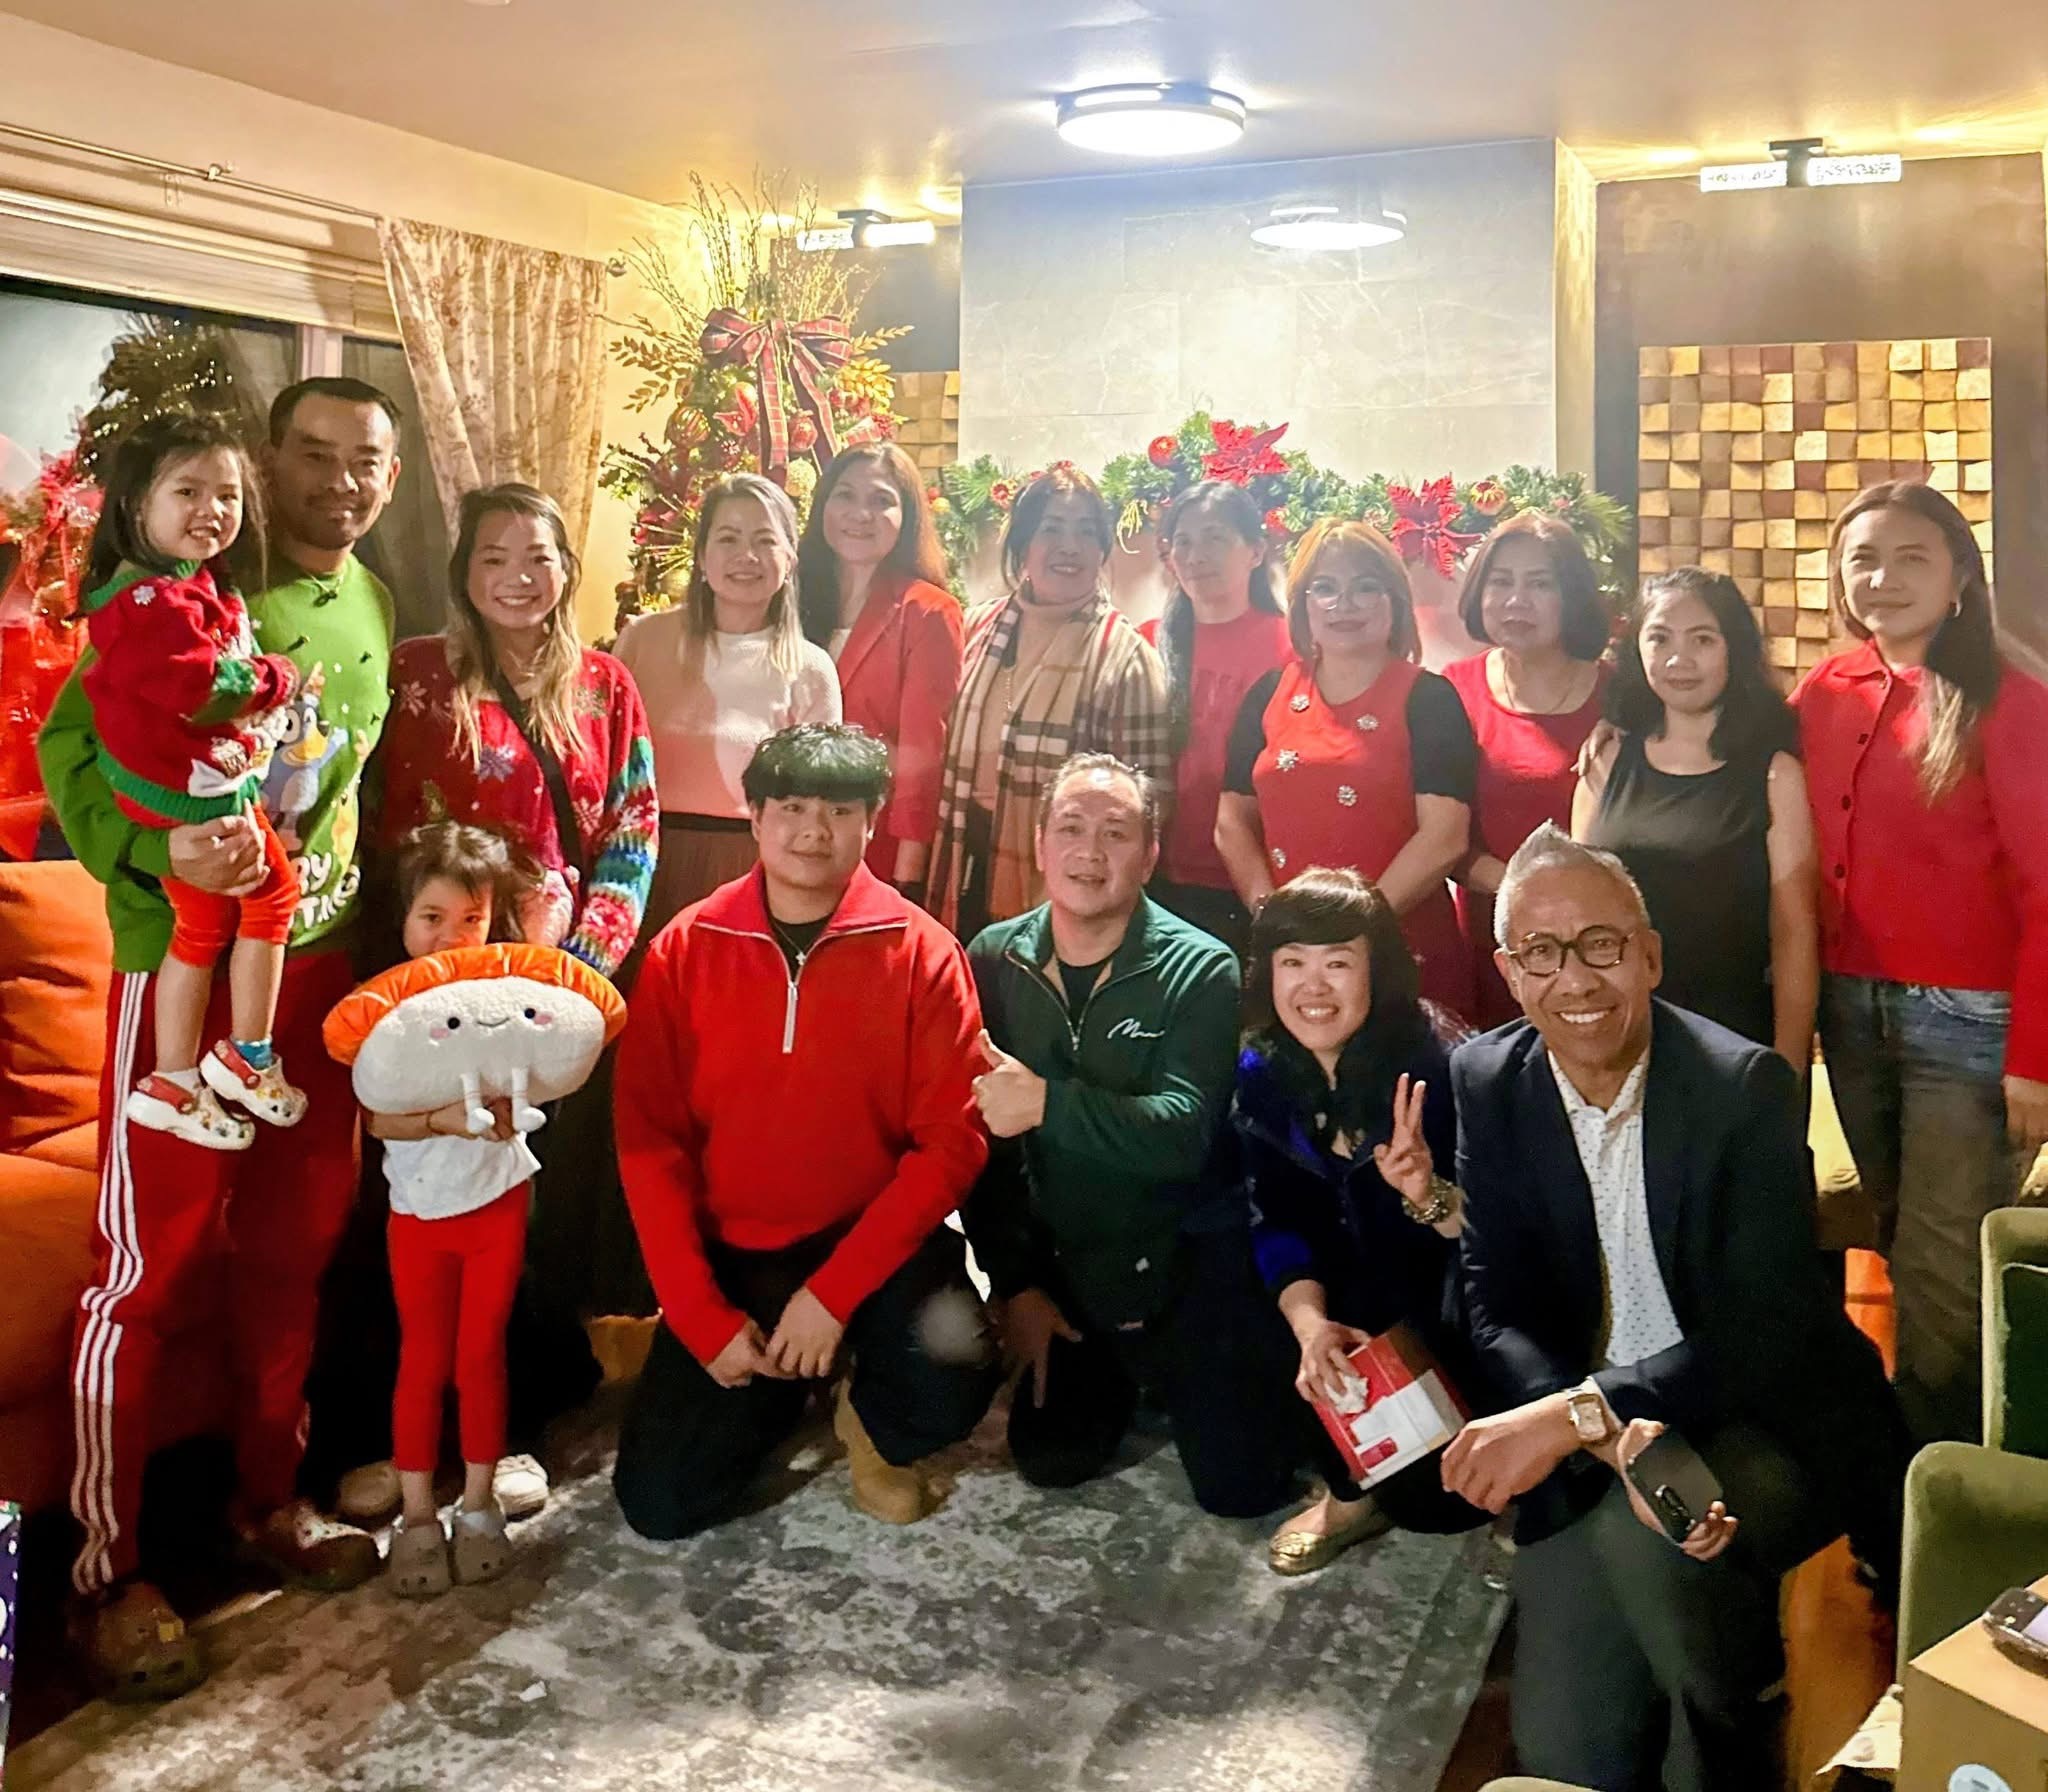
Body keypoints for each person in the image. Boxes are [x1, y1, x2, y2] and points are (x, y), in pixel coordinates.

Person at [38, 375, 404, 1696]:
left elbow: (338, 784)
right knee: (145, 1273)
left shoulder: (373, 600)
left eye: (367, 461)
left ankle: (266, 1501)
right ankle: (103, 1572)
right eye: (313, 454)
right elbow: (74, 762)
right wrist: (157, 848)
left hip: (317, 976)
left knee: (292, 1257)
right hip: (183, 977)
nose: (339, 482)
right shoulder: (180, 598)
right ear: (267, 460)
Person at [1442, 824, 1908, 1792]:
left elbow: (1764, 1332)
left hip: (1756, 1412)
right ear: (1510, 973)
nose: (1576, 979)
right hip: (1594, 1417)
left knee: (1656, 1544)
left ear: (1649, 955)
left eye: (1601, 944)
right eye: (1542, 952)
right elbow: (1493, 1301)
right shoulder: (1485, 1078)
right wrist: (1595, 1426)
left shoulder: (1741, 1086)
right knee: (1572, 1755)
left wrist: (1581, 1415)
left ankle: (1742, 1731)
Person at [612, 724, 997, 1537]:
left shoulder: (925, 954)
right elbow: (650, 1144)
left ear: (872, 821)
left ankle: (865, 1412)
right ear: (754, 816)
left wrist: (831, 1297)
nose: (813, 830)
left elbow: (951, 1145)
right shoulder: (686, 948)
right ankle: (791, 1385)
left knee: (955, 1369)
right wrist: (700, 1317)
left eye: (840, 810)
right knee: (662, 1504)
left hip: (871, 1239)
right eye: (790, 807)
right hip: (738, 1247)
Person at [963, 752, 1296, 1518]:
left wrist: (1047, 1104)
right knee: (1052, 1458)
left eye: (1115, 833)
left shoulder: (1201, 968)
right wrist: (1016, 1286)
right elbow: (984, 1151)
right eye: (1070, 828)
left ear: (1148, 856)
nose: (1090, 851)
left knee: (1240, 1487)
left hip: (1182, 1263)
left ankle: (1212, 1368)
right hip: (1070, 1270)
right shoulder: (993, 957)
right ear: (1040, 843)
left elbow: (1184, 1134)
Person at [1793, 482, 2048, 1445]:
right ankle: (1925, 1460)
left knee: (1946, 1270)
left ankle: (1944, 1479)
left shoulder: (2008, 699)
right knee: (1900, 1240)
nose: (1883, 578)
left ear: (1958, 578)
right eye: (1863, 558)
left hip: (1973, 1024)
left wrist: (2035, 1058)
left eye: (1912, 557)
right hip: (1852, 1013)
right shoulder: (1825, 691)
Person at [1234, 867, 1487, 1574]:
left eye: (1338, 963)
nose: (1313, 987)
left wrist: (1428, 1194)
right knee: (1251, 1295)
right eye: (1293, 963)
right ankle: (1347, 1495)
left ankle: (1526, 1477)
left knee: (1442, 1507)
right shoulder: (1261, 1069)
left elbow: (1510, 1239)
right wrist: (1309, 1326)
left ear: (1379, 969)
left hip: (1452, 1303)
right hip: (1346, 1299)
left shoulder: (1445, 1061)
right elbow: (1272, 1217)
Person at [77, 411, 307, 1149]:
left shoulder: (191, 583)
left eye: (228, 494)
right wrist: (274, 678)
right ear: (134, 503)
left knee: (205, 927)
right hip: (184, 799)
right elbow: (198, 687)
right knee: (272, 897)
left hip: (196, 787)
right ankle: (244, 1056)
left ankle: (177, 1078)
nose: (212, 509)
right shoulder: (146, 601)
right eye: (187, 491)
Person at [358, 823, 541, 1598]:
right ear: (403, 917)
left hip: (498, 1200)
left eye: (471, 918)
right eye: (432, 917)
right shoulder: (382, 1010)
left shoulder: (509, 997)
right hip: (419, 1212)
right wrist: (439, 1120)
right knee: (423, 1359)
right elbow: (375, 1117)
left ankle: (477, 1504)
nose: (452, 935)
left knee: (481, 1355)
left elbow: (548, 1071)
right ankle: (417, 1514)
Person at [379, 482, 656, 979]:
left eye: (538, 558)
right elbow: (371, 813)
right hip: (425, 966)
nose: (519, 577)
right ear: (463, 571)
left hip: (556, 966)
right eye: (493, 559)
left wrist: (584, 961)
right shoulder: (415, 672)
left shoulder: (606, 685)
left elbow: (633, 828)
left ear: (565, 569)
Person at [1216, 519, 1477, 1017]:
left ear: (1394, 600)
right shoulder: (1268, 693)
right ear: (1303, 605)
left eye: (1365, 587)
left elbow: (1444, 836)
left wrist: (1354, 931)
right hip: (1294, 959)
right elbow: (1231, 822)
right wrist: (1273, 918)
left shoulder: (1429, 698)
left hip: (1402, 950)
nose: (1344, 604)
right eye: (1326, 588)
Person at [1576, 566, 1817, 1062]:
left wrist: (1788, 1067)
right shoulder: (1606, 759)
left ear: (1734, 650)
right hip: (1617, 1034)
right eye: (1659, 638)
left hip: (1731, 1037)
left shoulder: (1774, 774)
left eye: (1703, 639)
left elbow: (1794, 935)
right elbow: (1577, 911)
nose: (1678, 659)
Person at [927, 467, 1173, 939]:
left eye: (1086, 532)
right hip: (962, 854)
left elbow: (1150, 805)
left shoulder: (1125, 658)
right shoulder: (977, 628)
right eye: (1052, 529)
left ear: (1102, 549)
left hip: (1066, 883)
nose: (1069, 546)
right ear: (1023, 543)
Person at [615, 472, 839, 943]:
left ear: (790, 559)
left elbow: (818, 803)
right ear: (701, 556)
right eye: (728, 538)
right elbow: (608, 763)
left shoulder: (810, 667)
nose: (747, 556)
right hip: (641, 861)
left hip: (753, 871)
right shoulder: (642, 640)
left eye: (765, 540)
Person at [1444, 513, 1611, 1027]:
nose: (1516, 600)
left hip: (1597, 948)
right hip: (1489, 945)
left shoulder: (1622, 695)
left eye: (1540, 584)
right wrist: (1526, 890)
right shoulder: (1451, 691)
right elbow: (1437, 832)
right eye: (1501, 582)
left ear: (1572, 597)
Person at [796, 443, 962, 897]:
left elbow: (922, 756)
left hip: (874, 844)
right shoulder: (789, 600)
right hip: (784, 836)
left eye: (881, 500)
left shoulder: (928, 612)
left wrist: (906, 877)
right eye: (845, 495)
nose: (860, 514)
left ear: (907, 517)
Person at [1139, 479, 1293, 953]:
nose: (1195, 555)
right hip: (1154, 877)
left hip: (1254, 882)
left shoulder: (1293, 646)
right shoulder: (1146, 642)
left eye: (1215, 538)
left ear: (1256, 551)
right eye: (1182, 542)